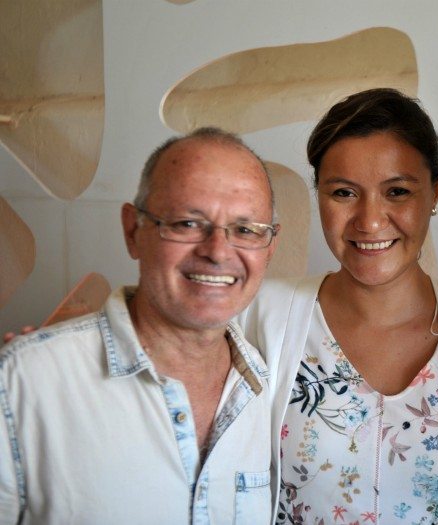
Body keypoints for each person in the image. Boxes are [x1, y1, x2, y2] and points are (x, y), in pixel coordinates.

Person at [239, 88, 438, 524]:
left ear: (436, 189)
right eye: (344, 193)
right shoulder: (258, 319)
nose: (370, 221)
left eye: (397, 191)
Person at [0, 127, 278, 524]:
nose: (217, 252)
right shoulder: (23, 382)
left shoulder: (266, 388)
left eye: (246, 230)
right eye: (187, 223)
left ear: (270, 248)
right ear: (133, 231)